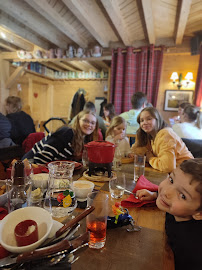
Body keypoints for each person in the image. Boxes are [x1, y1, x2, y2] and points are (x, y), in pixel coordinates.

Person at [136, 158, 202, 270]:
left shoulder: (192, 250)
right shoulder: (177, 209)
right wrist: (155, 194)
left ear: (199, 214)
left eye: (182, 196)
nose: (166, 192)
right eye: (171, 180)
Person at [23, 110, 98, 164]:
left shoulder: (84, 138)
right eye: (85, 121)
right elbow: (44, 156)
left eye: (92, 123)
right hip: (31, 163)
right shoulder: (67, 132)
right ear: (78, 121)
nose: (89, 125)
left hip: (50, 167)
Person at [131, 107, 193, 172]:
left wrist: (150, 158)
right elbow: (137, 151)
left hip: (188, 173)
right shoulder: (150, 136)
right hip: (175, 174)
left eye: (149, 119)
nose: (144, 123)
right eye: (142, 120)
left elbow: (167, 167)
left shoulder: (166, 134)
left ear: (157, 119)